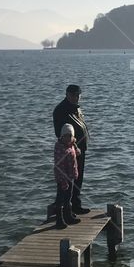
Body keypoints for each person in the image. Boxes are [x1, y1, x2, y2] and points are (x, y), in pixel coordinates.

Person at [52, 84, 91, 215]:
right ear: (67, 94)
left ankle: (76, 204)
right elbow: (60, 133)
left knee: (78, 177)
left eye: (78, 95)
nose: (76, 98)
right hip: (68, 151)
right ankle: (65, 209)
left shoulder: (76, 109)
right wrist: (73, 146)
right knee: (68, 180)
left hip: (80, 149)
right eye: (74, 95)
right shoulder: (61, 110)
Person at [53, 124, 81, 229]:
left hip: (70, 176)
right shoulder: (60, 148)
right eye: (66, 136)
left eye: (70, 136)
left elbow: (78, 153)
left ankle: (68, 215)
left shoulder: (71, 145)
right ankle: (59, 220)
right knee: (60, 198)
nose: (68, 138)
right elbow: (58, 166)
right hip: (62, 178)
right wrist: (62, 180)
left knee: (68, 197)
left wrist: (75, 145)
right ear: (61, 136)